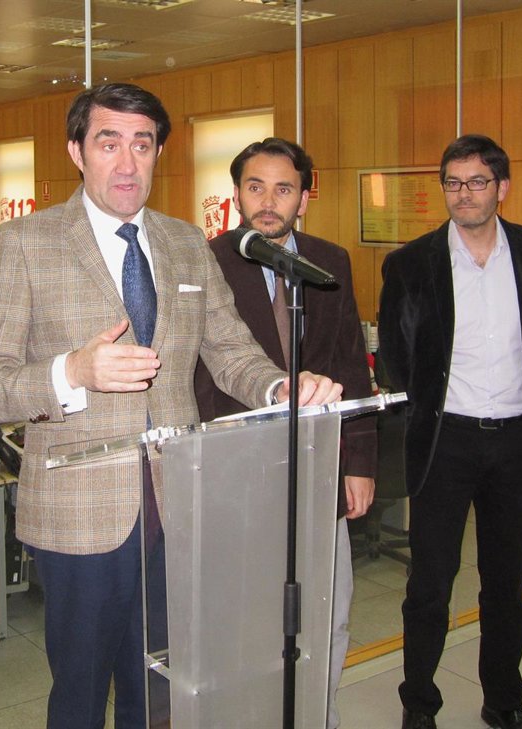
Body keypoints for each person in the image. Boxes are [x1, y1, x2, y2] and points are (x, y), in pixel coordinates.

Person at [0, 83, 342, 729]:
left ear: (158, 153)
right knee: (80, 695)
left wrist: (282, 388)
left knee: (163, 693)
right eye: (108, 142)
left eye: (142, 145)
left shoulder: (186, 242)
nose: (127, 162)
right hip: (79, 513)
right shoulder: (26, 241)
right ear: (77, 152)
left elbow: (231, 351)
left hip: (177, 508)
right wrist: (72, 372)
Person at [378, 134, 522, 729]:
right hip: (446, 442)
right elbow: (397, 359)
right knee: (430, 584)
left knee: (506, 584)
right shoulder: (410, 263)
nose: (464, 194)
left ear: (502, 188)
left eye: (477, 182)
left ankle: (503, 700)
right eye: (453, 183)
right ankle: (419, 705)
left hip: (516, 440)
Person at [192, 137, 375, 729]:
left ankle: (319, 716)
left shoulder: (329, 261)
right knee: (247, 621)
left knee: (329, 612)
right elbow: (195, 374)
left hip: (319, 464)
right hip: (236, 469)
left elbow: (350, 362)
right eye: (255, 187)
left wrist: (359, 461)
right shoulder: (206, 261)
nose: (268, 202)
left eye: (283, 189)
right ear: (236, 194)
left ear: (304, 197)